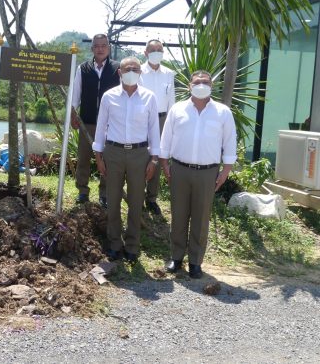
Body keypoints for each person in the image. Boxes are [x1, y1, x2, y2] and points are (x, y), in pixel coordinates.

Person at [160, 70, 237, 278]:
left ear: (212, 86)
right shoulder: (177, 109)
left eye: (205, 82)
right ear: (189, 86)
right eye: (197, 82)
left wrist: (225, 171)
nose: (201, 85)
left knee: (201, 218)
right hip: (180, 169)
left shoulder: (222, 112)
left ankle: (195, 261)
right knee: (178, 214)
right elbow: (166, 138)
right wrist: (165, 164)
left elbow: (229, 143)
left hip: (207, 172)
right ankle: (176, 257)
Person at [93, 57, 160, 262]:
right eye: (127, 68)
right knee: (112, 200)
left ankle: (132, 246)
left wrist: (154, 159)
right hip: (113, 153)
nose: (131, 71)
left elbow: (154, 129)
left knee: (135, 201)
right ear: (119, 73)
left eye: (135, 68)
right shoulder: (108, 96)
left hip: (140, 154)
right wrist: (98, 156)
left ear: (140, 72)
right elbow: (101, 126)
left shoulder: (149, 97)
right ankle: (114, 244)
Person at [71, 33, 120, 207]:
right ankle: (82, 191)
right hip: (87, 121)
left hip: (110, 124)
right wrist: (72, 113)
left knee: (107, 159)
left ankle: (104, 194)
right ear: (92, 48)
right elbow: (76, 94)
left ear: (108, 47)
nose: (100, 49)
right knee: (83, 158)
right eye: (97, 46)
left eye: (103, 45)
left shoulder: (117, 68)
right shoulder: (83, 68)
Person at [140, 39, 175, 216]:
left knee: (158, 157)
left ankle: (151, 198)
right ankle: (137, 197)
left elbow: (171, 101)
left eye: (159, 49)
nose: (156, 52)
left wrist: (171, 124)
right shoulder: (138, 71)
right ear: (145, 53)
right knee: (140, 157)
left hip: (162, 119)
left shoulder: (169, 73)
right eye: (152, 49)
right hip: (141, 119)